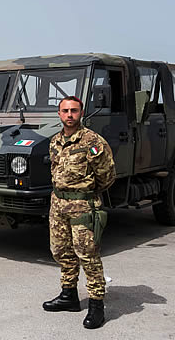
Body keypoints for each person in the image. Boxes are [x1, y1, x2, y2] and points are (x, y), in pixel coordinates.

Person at [43, 96, 116, 329]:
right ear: (59, 114)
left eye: (74, 110)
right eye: (65, 111)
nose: (69, 115)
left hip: (83, 206)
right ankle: (69, 296)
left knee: (88, 255)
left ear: (81, 113)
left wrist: (87, 194)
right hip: (58, 205)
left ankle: (96, 306)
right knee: (61, 252)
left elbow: (107, 176)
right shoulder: (55, 141)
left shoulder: (93, 142)